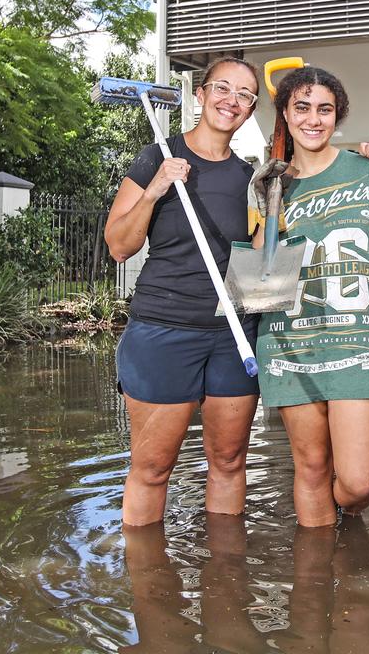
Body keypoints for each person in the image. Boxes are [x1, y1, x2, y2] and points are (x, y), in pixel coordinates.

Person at [105, 57, 263, 527]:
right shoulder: (158, 154)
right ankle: (146, 587)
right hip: (163, 330)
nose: (230, 101)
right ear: (200, 93)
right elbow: (119, 246)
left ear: (251, 109)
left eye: (244, 95)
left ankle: (226, 575)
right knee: (153, 468)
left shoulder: (249, 177)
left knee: (231, 461)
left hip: (233, 333)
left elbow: (257, 261)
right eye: (222, 88)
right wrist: (154, 190)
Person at [254, 66, 369, 528]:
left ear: (338, 115)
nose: (313, 119)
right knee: (312, 468)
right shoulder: (272, 184)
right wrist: (266, 210)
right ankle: (317, 577)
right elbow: (260, 280)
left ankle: (344, 518)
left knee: (360, 483)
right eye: (302, 108)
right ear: (285, 113)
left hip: (358, 343)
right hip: (290, 343)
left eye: (325, 109)